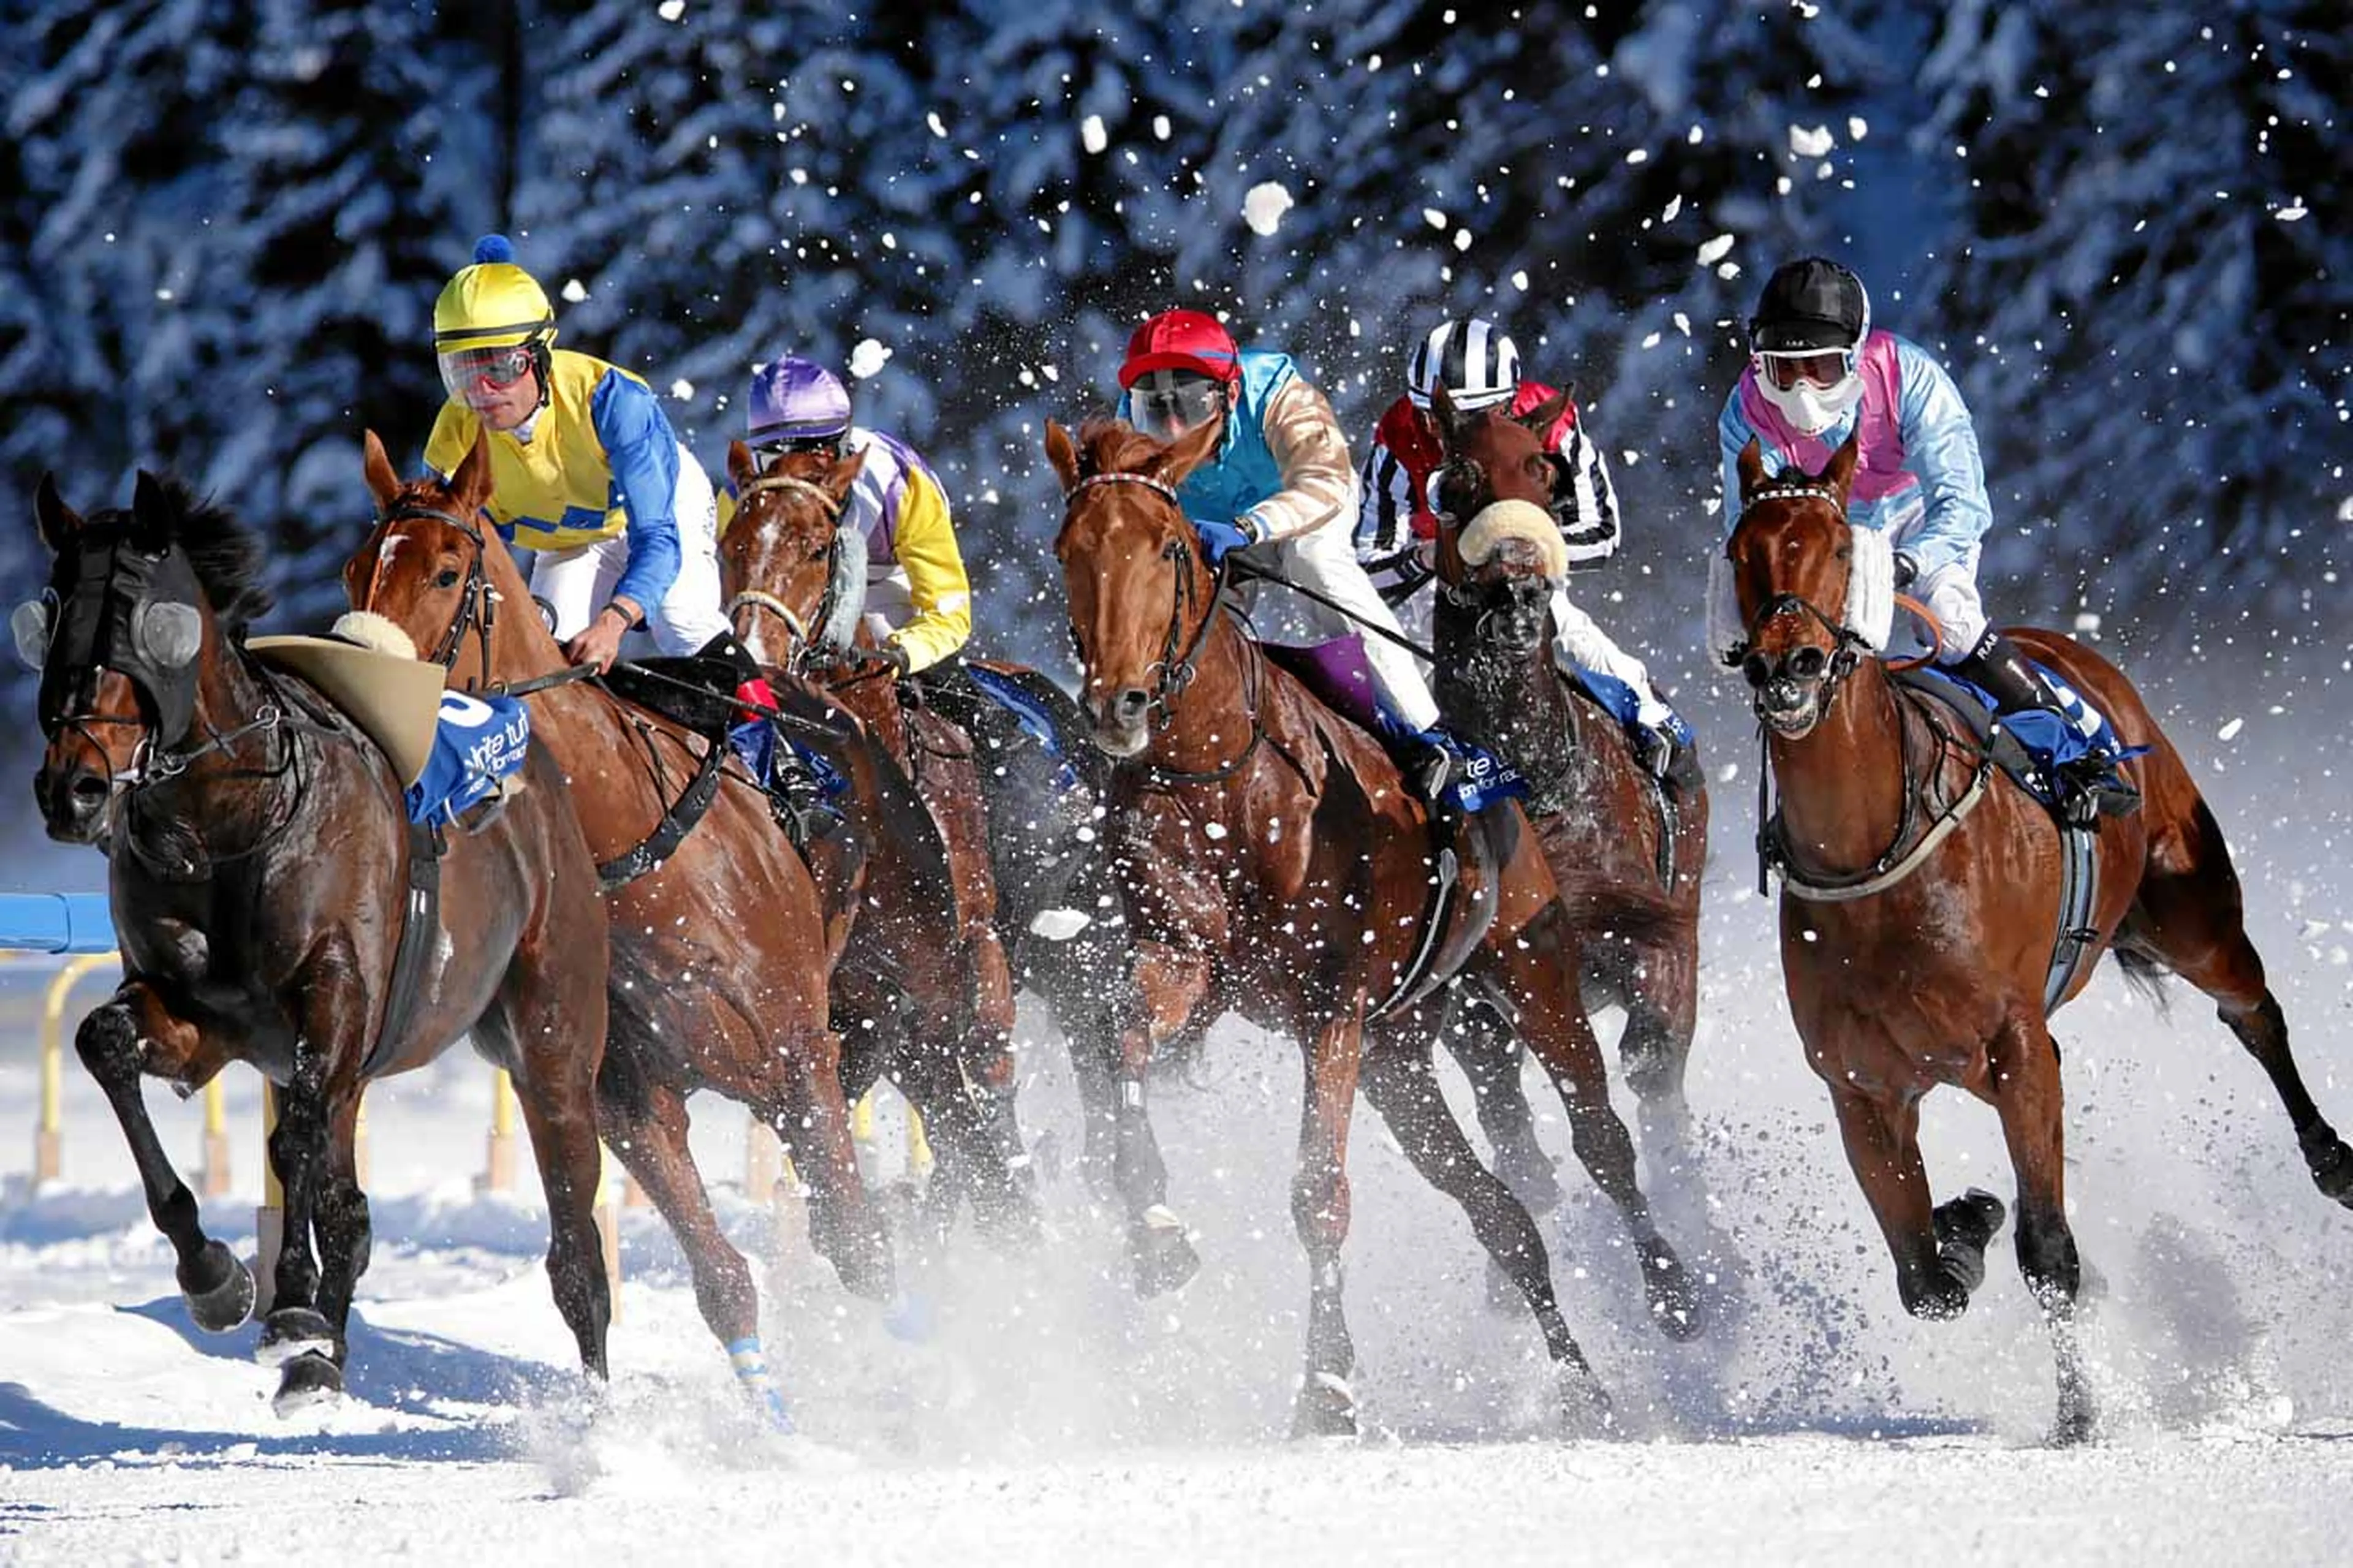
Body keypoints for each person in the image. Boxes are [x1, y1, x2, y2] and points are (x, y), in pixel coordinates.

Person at [1718, 256, 2137, 820]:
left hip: (1913, 520)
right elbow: (1746, 521)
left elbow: (1963, 502)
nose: (1800, 389)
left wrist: (1909, 564)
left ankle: (2069, 749)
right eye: (1783, 369)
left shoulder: (1907, 377)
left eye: (1820, 367)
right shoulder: (1745, 407)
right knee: (1785, 642)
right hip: (1818, 538)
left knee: (1948, 617)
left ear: (1854, 354)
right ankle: (1805, 812)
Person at [1116, 309, 1476, 804]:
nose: (1174, 428)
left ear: (1232, 394)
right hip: (1209, 534)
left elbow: (1324, 480)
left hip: (1300, 511)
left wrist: (1249, 527)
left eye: (1192, 405)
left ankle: (1427, 733)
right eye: (1154, 409)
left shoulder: (1279, 393)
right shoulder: (1128, 436)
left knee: (1312, 559)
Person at [1356, 316, 1696, 780]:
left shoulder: (1552, 429)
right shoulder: (1398, 439)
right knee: (1394, 669)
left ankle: (1654, 725)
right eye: (1433, 418)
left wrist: (1525, 549)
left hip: (1529, 577)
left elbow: (1602, 532)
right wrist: (1431, 557)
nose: (1449, 432)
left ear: (1512, 405)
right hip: (1437, 589)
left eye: (1478, 416)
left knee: (1568, 632)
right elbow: (1365, 567)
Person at [425, 235, 726, 673]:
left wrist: (613, 620)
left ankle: (763, 733)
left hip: (658, 511)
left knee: (681, 622)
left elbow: (658, 541)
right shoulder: (454, 433)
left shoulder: (613, 401)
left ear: (541, 356)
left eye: (501, 368)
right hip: (573, 540)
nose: (482, 393)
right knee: (548, 667)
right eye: (462, 373)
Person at [719, 355, 974, 679]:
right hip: (786, 602)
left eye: (818, 455)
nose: (795, 472)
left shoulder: (899, 482)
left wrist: (901, 655)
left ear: (842, 445)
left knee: (949, 691)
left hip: (885, 595)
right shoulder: (739, 502)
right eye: (776, 456)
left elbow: (948, 610)